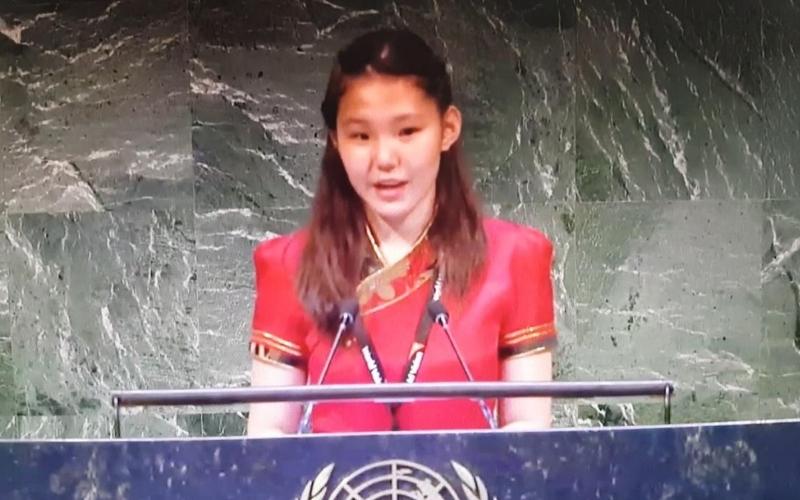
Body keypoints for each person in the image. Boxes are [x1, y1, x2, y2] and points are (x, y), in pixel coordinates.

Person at [247, 28, 556, 435]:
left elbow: (529, 430)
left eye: (407, 132)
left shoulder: (515, 258)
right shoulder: (287, 266)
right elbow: (270, 437)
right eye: (360, 135)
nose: (385, 158)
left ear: (448, 129)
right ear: (335, 141)